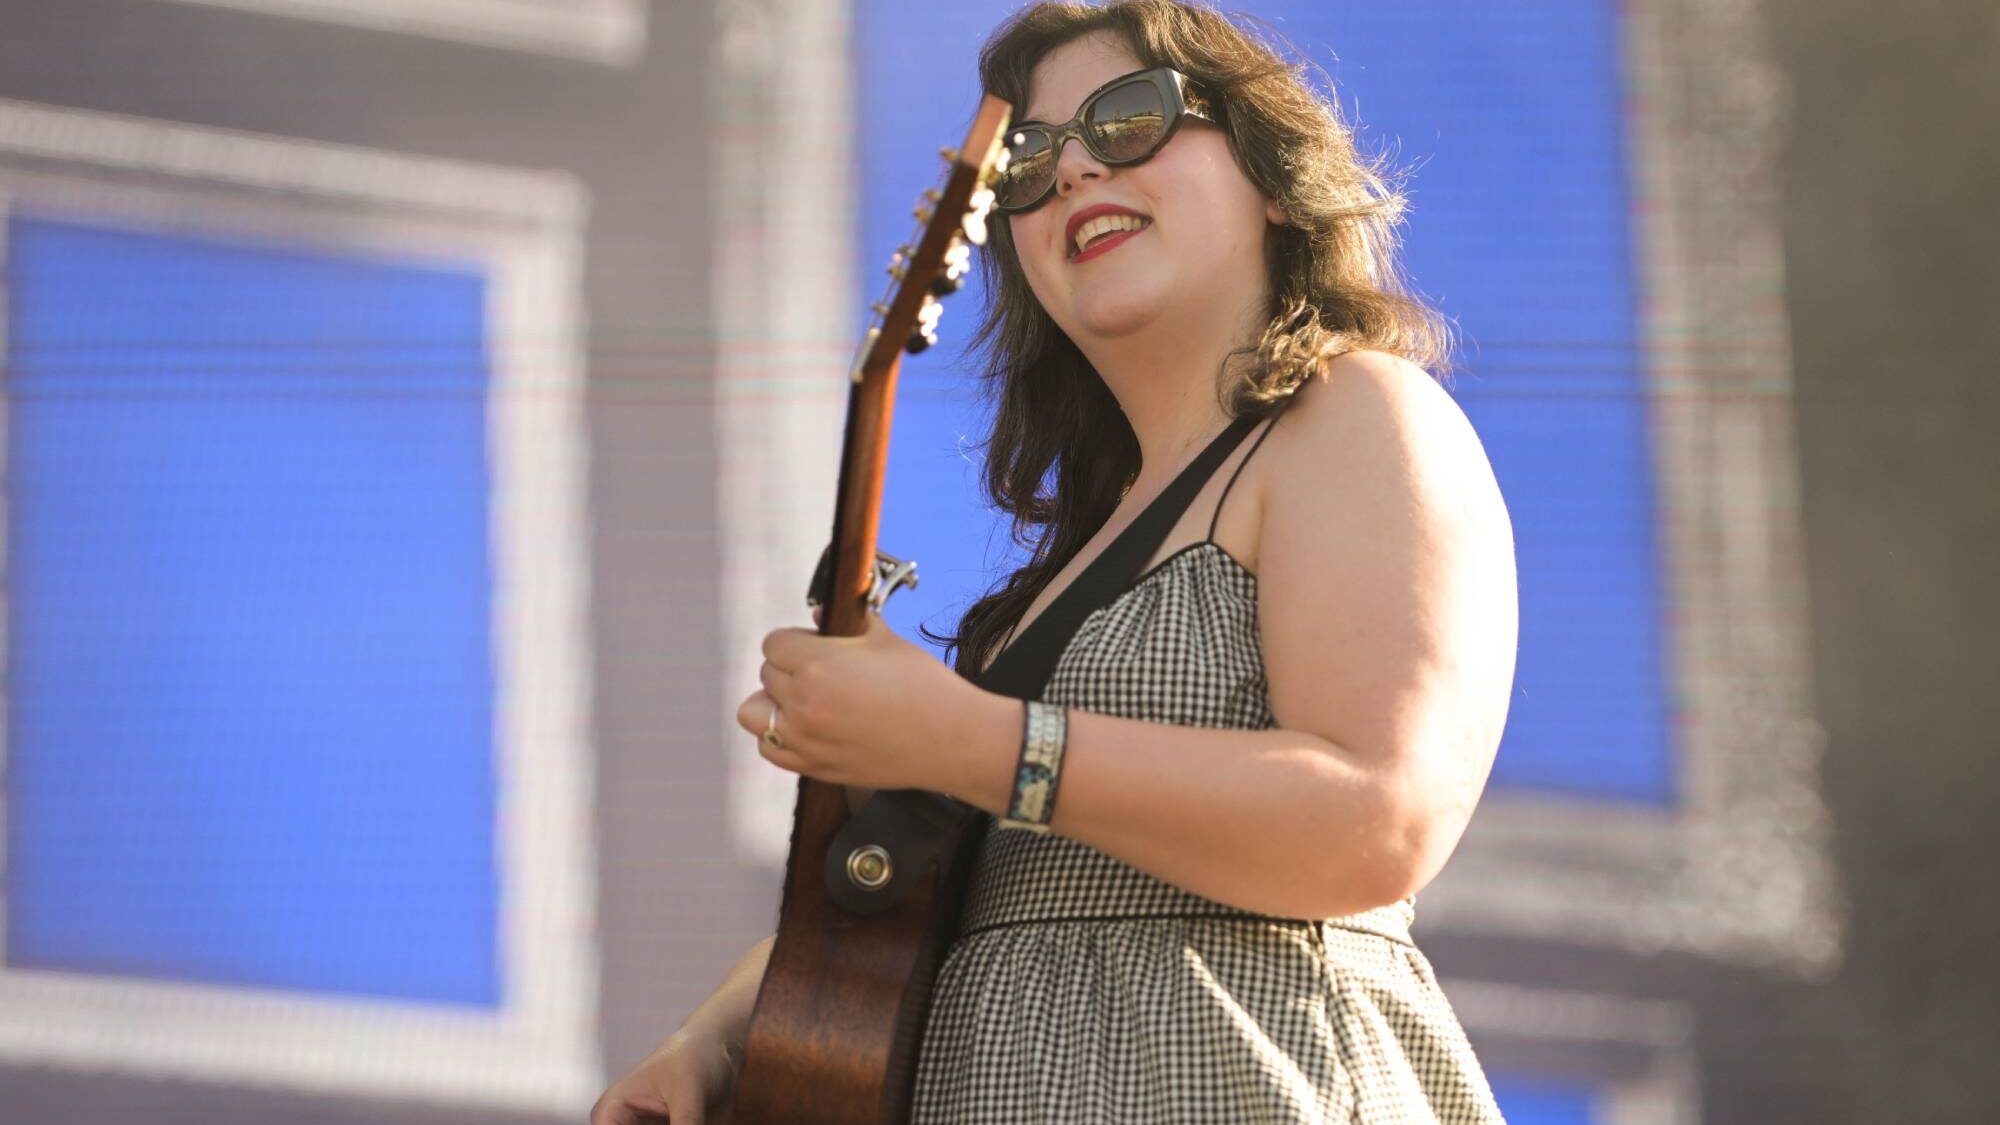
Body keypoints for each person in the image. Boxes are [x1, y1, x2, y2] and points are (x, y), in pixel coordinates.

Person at [593, 1, 1517, 1121]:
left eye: (1127, 119)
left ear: (1272, 177)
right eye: (1027, 160)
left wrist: (971, 738)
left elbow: (1379, 818)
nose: (1072, 166)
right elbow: (960, 904)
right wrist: (715, 1041)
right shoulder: (1061, 583)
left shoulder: (1353, 412)